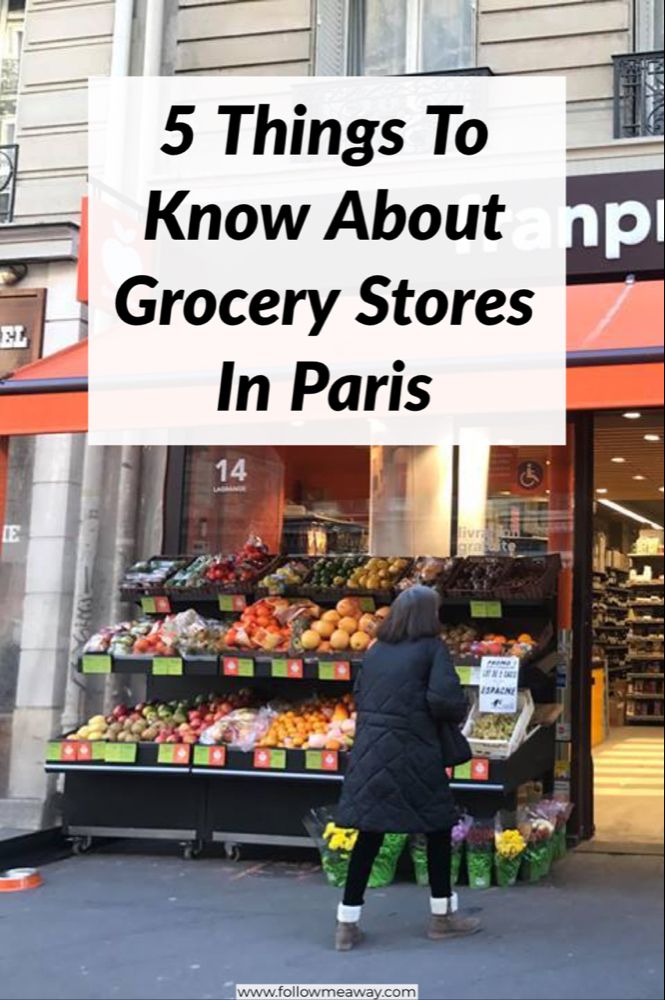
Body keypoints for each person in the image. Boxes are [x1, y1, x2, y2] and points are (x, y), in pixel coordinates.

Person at [334, 585, 481, 950]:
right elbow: (445, 701)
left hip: (372, 755)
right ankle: (441, 917)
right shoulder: (432, 649)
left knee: (369, 835)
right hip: (415, 753)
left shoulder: (376, 651)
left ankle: (346, 924)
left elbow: (361, 696)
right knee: (435, 832)